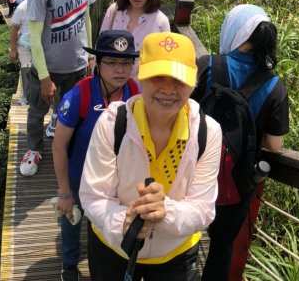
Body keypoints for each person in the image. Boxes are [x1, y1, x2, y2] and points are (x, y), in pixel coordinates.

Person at [79, 31, 222, 281]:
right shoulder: (113, 123)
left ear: (194, 82)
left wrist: (163, 211)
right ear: (140, 77)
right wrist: (125, 223)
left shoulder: (207, 132)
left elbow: (203, 208)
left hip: (174, 253)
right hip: (113, 248)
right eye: (157, 77)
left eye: (178, 79)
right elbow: (93, 196)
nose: (168, 89)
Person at [192, 4, 289, 281]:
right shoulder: (274, 85)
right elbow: (275, 145)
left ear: (233, 30)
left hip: (194, 168)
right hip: (237, 181)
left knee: (180, 234)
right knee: (222, 247)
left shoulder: (207, 64)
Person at [53, 30, 140, 281]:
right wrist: (64, 191)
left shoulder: (134, 92)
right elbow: (59, 146)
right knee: (71, 222)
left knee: (102, 229)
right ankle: (69, 266)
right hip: (78, 177)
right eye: (111, 62)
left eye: (125, 63)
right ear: (97, 63)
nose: (119, 70)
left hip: (113, 181)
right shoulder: (79, 95)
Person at [20, 0, 92, 176]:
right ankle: (33, 149)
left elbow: (86, 18)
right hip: (48, 67)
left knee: (71, 110)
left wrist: (90, 54)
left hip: (77, 65)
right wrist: (44, 77)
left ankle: (66, 146)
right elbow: (35, 38)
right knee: (37, 110)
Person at [100, 0, 170, 80]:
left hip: (142, 86)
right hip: (111, 83)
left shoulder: (161, 21)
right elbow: (101, 44)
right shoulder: (114, 11)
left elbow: (164, 60)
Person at [9, 0, 32, 105]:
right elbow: (14, 29)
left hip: (42, 43)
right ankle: (27, 97)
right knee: (26, 69)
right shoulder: (22, 8)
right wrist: (13, 49)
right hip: (25, 43)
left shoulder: (46, 4)